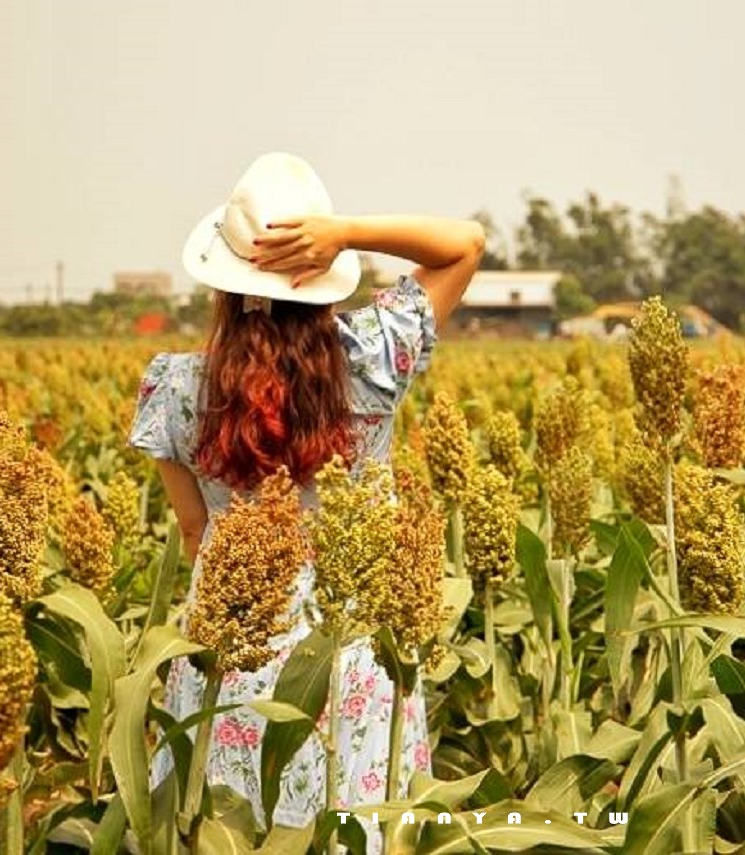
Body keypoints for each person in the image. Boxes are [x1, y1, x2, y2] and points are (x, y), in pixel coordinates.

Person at [127, 152, 483, 842]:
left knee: (229, 829)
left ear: (223, 288)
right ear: (324, 284)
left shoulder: (173, 387)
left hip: (230, 650)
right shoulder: (374, 357)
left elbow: (197, 535)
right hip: (348, 656)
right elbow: (464, 244)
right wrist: (344, 232)